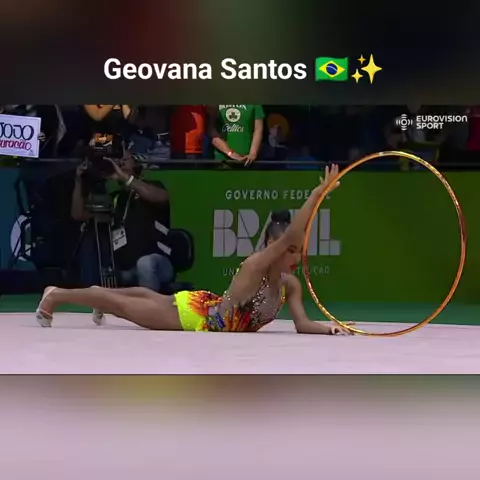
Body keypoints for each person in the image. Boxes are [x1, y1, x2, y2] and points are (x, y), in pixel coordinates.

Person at [37, 165, 352, 335]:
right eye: (293, 250)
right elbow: (294, 232)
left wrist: (331, 330)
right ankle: (56, 296)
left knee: (136, 295)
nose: (300, 257)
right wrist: (317, 194)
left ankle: (93, 297)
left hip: (204, 303)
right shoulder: (256, 265)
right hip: (194, 319)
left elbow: (302, 324)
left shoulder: (289, 284)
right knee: (122, 305)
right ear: (274, 247)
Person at [71, 153, 174, 292]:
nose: (120, 164)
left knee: (144, 264)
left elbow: (161, 198)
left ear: (137, 164)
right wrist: (79, 180)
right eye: (118, 160)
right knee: (101, 262)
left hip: (158, 263)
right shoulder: (116, 198)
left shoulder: (152, 187)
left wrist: (123, 176)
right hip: (126, 269)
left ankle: (150, 304)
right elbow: (78, 214)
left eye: (125, 160)